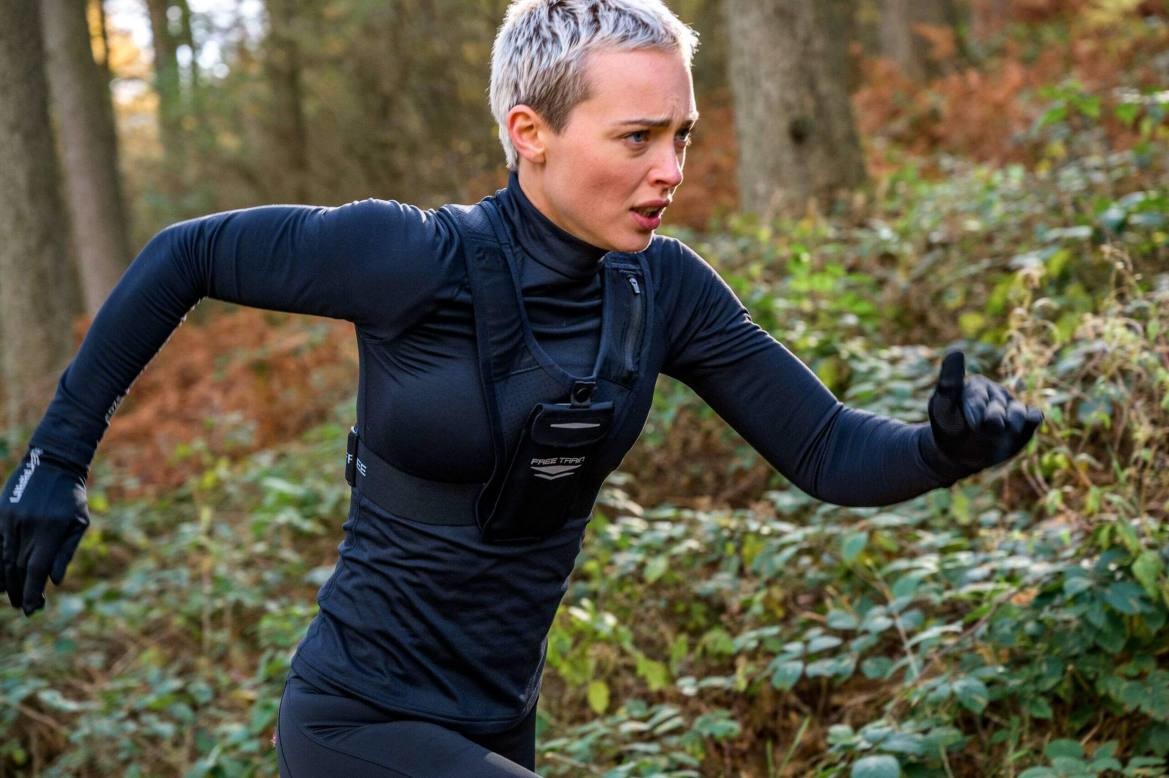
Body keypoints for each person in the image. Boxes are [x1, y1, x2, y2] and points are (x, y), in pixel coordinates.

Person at [0, 0, 1042, 775]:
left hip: (501, 723)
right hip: (358, 721)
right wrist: (58, 455)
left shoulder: (666, 291)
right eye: (635, 137)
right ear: (528, 132)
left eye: (679, 134)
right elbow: (184, 255)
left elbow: (824, 449)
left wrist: (940, 449)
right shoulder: (409, 259)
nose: (670, 169)